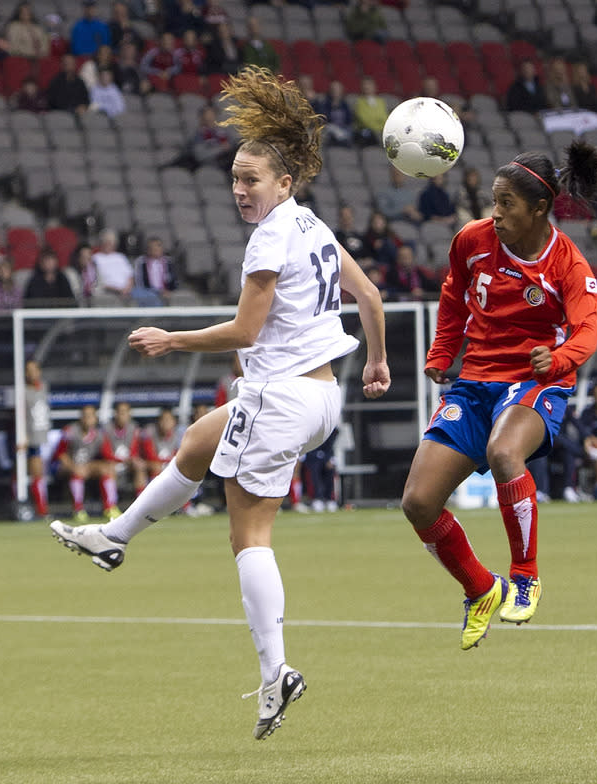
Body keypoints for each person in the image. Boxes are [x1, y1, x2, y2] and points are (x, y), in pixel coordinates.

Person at [50, 64, 390, 741]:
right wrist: (376, 361)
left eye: (251, 179)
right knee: (202, 440)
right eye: (234, 178)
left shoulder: (270, 237)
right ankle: (115, 538)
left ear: (283, 183)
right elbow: (371, 298)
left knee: (249, 537)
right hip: (321, 396)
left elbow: (244, 331)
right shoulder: (313, 225)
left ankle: (277, 673)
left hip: (284, 397)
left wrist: (171, 339)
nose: (240, 190)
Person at [401, 139, 597, 651]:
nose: (495, 214)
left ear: (539, 210)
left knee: (503, 451)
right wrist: (441, 351)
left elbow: (587, 331)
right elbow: (453, 297)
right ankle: (481, 588)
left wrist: (558, 361)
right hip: (475, 382)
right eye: (493, 201)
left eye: (506, 204)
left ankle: (525, 575)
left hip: (537, 382)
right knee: (418, 502)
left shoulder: (568, 265)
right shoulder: (471, 240)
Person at [52, 404, 120, 521]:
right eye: (85, 416)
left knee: (107, 469)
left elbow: (107, 454)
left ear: (95, 418)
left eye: (91, 416)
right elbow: (60, 454)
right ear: (81, 418)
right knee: (77, 472)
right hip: (66, 465)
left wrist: (114, 463)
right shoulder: (70, 431)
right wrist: (73, 467)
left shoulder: (99, 434)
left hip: (87, 466)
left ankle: (110, 507)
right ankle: (78, 509)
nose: (88, 419)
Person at [91, 229, 160, 306]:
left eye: (110, 242)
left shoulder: (121, 257)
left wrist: (127, 289)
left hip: (128, 290)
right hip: (111, 291)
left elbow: (130, 276)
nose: (108, 245)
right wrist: (119, 290)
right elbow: (99, 282)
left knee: (151, 296)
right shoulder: (96, 258)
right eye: (106, 242)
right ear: (101, 243)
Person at [18, 359, 52, 518]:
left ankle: (40, 508)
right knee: (33, 473)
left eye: (34, 369)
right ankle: (40, 509)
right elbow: (20, 416)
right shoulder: (22, 391)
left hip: (44, 436)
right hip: (30, 438)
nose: (31, 373)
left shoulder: (44, 388)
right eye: (28, 370)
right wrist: (22, 436)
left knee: (40, 474)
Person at [101, 401, 147, 499]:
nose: (123, 415)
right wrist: (122, 460)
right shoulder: (106, 429)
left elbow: (135, 451)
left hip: (128, 463)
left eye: (126, 412)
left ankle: (141, 503)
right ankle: (111, 505)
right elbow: (106, 453)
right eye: (121, 412)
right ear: (115, 414)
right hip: (112, 462)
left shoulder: (134, 428)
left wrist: (131, 460)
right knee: (109, 467)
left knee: (139, 466)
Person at [133, 236, 179, 305]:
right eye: (153, 247)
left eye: (158, 246)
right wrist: (157, 292)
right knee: (138, 292)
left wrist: (170, 291)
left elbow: (175, 280)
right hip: (148, 292)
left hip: (167, 292)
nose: (156, 249)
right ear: (148, 250)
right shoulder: (141, 262)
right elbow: (139, 282)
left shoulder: (169, 262)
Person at [303, 428, 339, 512]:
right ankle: (317, 498)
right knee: (315, 476)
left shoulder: (331, 430)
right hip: (312, 456)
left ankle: (329, 499)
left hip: (327, 455)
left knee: (330, 474)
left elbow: (330, 446)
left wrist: (328, 458)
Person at [316, 79, 354, 147]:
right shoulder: (325, 104)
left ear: (341, 91)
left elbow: (349, 120)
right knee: (330, 129)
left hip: (343, 129)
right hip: (331, 128)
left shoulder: (345, 105)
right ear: (330, 90)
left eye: (337, 89)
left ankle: (342, 141)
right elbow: (323, 119)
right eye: (333, 89)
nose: (335, 91)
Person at [353, 75, 388, 146]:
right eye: (365, 85)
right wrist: (377, 128)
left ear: (374, 86)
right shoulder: (359, 102)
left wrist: (380, 128)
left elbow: (384, 117)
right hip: (367, 131)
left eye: (369, 84)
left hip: (381, 131)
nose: (367, 87)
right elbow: (365, 120)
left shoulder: (380, 101)